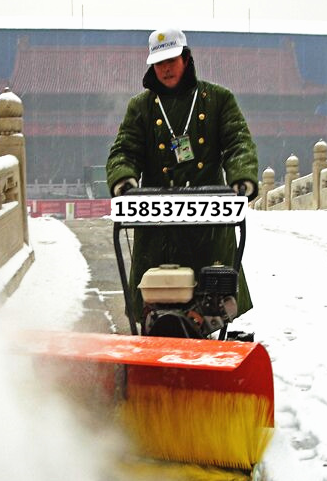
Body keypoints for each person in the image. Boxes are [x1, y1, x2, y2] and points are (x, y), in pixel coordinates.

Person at [106, 27, 258, 323]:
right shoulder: (141, 107)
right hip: (158, 223)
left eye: (172, 60)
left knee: (211, 295)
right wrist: (123, 178)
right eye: (159, 62)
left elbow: (238, 141)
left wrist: (242, 177)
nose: (166, 69)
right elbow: (125, 148)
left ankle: (206, 325)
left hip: (209, 221)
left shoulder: (218, 99)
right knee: (154, 293)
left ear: (186, 58)